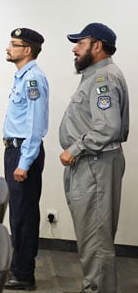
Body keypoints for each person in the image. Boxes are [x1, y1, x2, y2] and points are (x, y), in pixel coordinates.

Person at [59, 22, 129, 293]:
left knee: (96, 241)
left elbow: (108, 126)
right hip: (90, 165)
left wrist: (74, 149)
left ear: (97, 46)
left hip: (95, 165)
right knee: (92, 238)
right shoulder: (94, 75)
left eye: (80, 43)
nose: (75, 49)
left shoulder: (103, 79)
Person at [2, 28, 49, 291]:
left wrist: (25, 162)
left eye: (14, 44)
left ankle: (24, 273)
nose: (8, 48)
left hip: (23, 152)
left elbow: (35, 124)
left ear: (27, 50)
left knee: (24, 215)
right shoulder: (22, 77)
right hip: (14, 150)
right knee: (18, 213)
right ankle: (18, 266)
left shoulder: (33, 79)